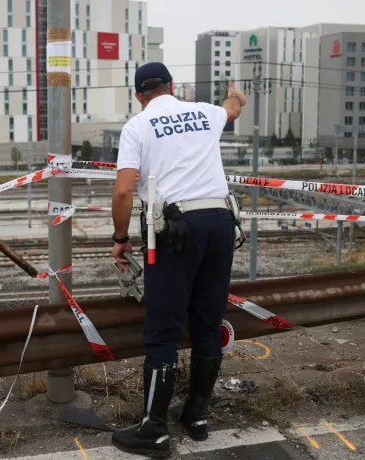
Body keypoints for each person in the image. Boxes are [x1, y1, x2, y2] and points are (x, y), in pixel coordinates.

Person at [109, 62, 246, 458]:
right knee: (207, 320)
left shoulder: (137, 127)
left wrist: (120, 238)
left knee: (163, 329)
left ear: (139, 96)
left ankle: (153, 430)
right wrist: (237, 96)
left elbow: (123, 192)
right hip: (221, 223)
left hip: (175, 229)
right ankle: (198, 415)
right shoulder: (205, 111)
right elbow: (231, 108)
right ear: (171, 86)